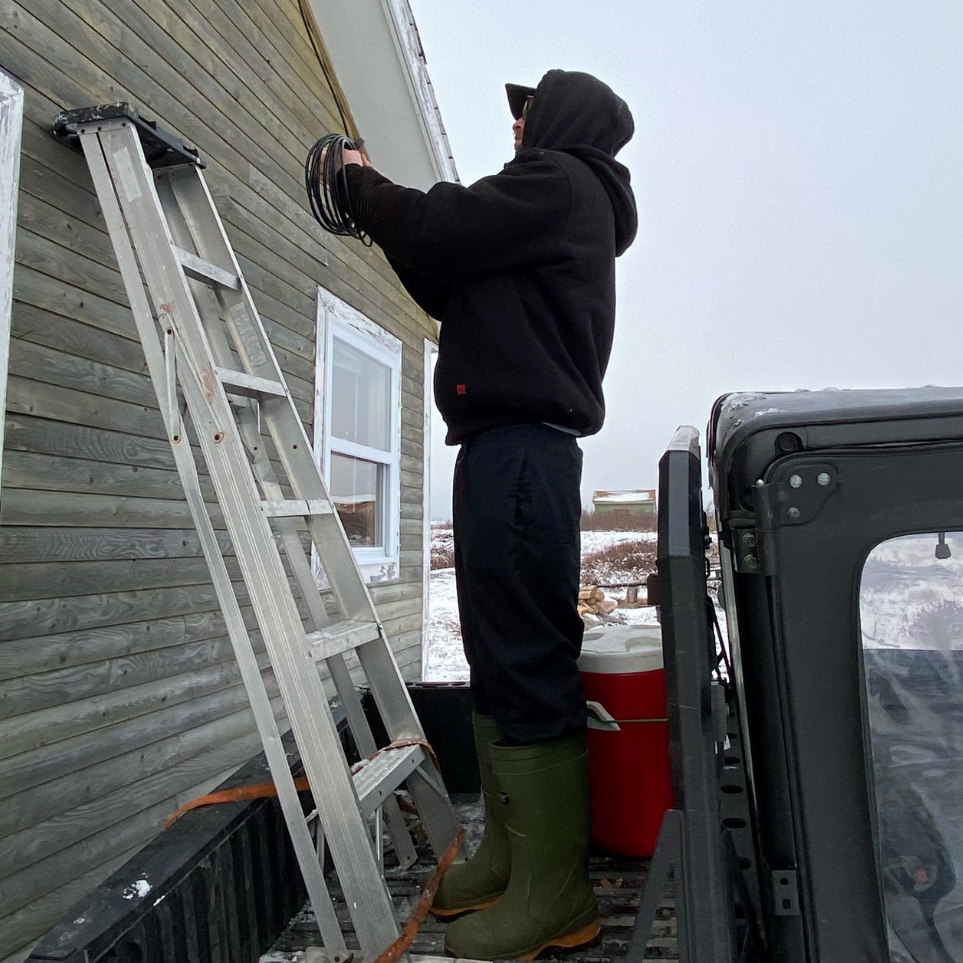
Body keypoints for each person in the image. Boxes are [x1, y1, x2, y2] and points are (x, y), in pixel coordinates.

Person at [337, 68, 637, 960]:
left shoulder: (558, 181)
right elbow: (443, 269)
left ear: (561, 120)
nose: (515, 124)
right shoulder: (552, 208)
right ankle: (513, 861)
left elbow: (440, 225)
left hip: (520, 451)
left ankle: (557, 892)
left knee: (524, 655)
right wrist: (378, 213)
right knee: (496, 652)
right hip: (506, 451)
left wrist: (359, 179)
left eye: (527, 111)